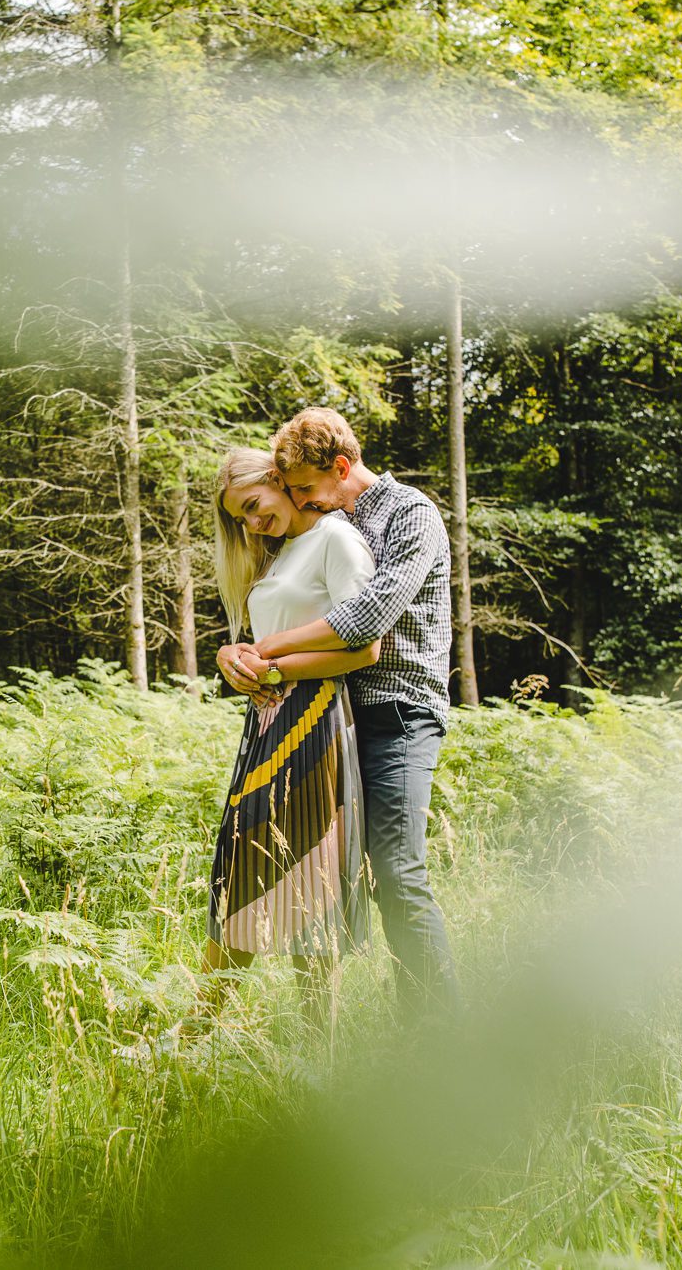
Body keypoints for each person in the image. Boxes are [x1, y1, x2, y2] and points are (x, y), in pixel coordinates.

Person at [131, 448, 383, 1057]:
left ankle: (313, 1047)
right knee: (245, 864)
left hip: (316, 718)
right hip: (266, 722)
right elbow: (261, 644)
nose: (250, 525)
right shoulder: (282, 556)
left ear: (277, 480)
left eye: (252, 507)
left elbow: (366, 646)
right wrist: (233, 656)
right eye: (239, 519)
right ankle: (197, 1032)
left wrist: (271, 666)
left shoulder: (335, 540)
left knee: (308, 871)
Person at [217, 407, 460, 1014]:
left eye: (301, 488)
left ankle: (442, 1036)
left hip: (399, 711)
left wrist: (265, 652)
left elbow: (368, 620)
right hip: (341, 713)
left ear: (341, 469)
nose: (296, 500)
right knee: (325, 872)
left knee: (397, 873)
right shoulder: (328, 521)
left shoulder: (410, 514)